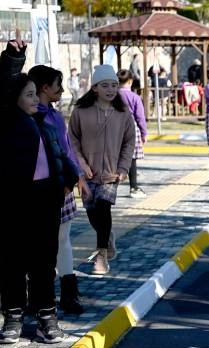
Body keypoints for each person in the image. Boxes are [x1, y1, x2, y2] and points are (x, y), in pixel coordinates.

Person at [0, 39, 78, 344]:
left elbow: (59, 155)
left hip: (44, 203)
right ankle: (13, 316)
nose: (35, 99)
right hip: (12, 203)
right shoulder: (2, 121)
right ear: (14, 98)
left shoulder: (44, 122)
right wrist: (14, 58)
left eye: (36, 94)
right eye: (28, 94)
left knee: (42, 263)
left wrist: (70, 177)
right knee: (11, 263)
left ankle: (45, 316)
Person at [29, 65, 86, 315]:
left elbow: (66, 149)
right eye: (57, 85)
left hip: (62, 186)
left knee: (63, 240)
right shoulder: (30, 117)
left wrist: (75, 177)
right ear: (44, 88)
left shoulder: (54, 116)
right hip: (37, 189)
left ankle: (68, 292)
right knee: (37, 244)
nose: (61, 90)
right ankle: (38, 296)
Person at [69, 64, 136, 275]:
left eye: (114, 85)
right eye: (105, 85)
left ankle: (101, 256)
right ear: (95, 88)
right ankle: (107, 237)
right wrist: (81, 165)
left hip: (111, 173)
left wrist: (123, 167)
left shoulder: (123, 113)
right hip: (87, 174)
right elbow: (72, 141)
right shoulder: (80, 111)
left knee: (104, 209)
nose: (110, 89)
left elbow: (129, 142)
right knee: (92, 213)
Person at [118, 69, 149, 198]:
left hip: (115, 127)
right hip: (131, 127)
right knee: (131, 159)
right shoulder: (134, 97)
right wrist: (144, 133)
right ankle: (134, 187)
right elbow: (140, 116)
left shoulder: (112, 95)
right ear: (130, 81)